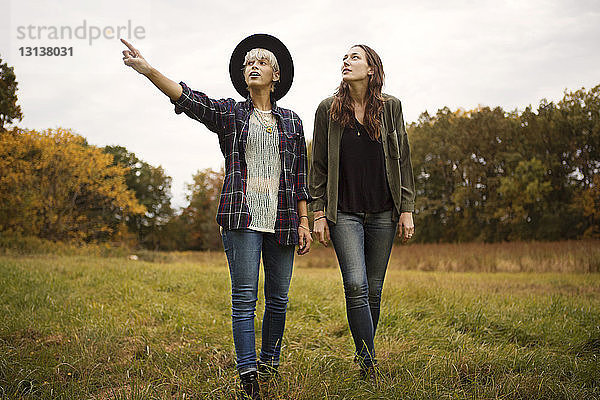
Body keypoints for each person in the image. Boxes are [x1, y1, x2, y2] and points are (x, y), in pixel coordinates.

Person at [121, 34, 312, 399]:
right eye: (248, 63)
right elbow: (189, 99)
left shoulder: (293, 121)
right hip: (240, 217)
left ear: (276, 74)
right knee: (244, 298)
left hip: (283, 219)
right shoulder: (231, 113)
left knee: (279, 299)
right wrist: (148, 71)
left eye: (261, 61)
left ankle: (270, 364)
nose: (253, 66)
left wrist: (305, 220)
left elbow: (301, 178)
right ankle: (249, 375)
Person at [309, 44, 415, 378]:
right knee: (355, 285)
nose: (346, 61)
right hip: (346, 213)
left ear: (372, 69)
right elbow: (319, 166)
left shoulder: (391, 108)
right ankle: (369, 364)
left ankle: (363, 357)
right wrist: (318, 212)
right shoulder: (328, 110)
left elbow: (405, 159)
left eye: (354, 57)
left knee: (374, 288)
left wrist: (407, 208)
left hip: (384, 211)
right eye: (344, 57)